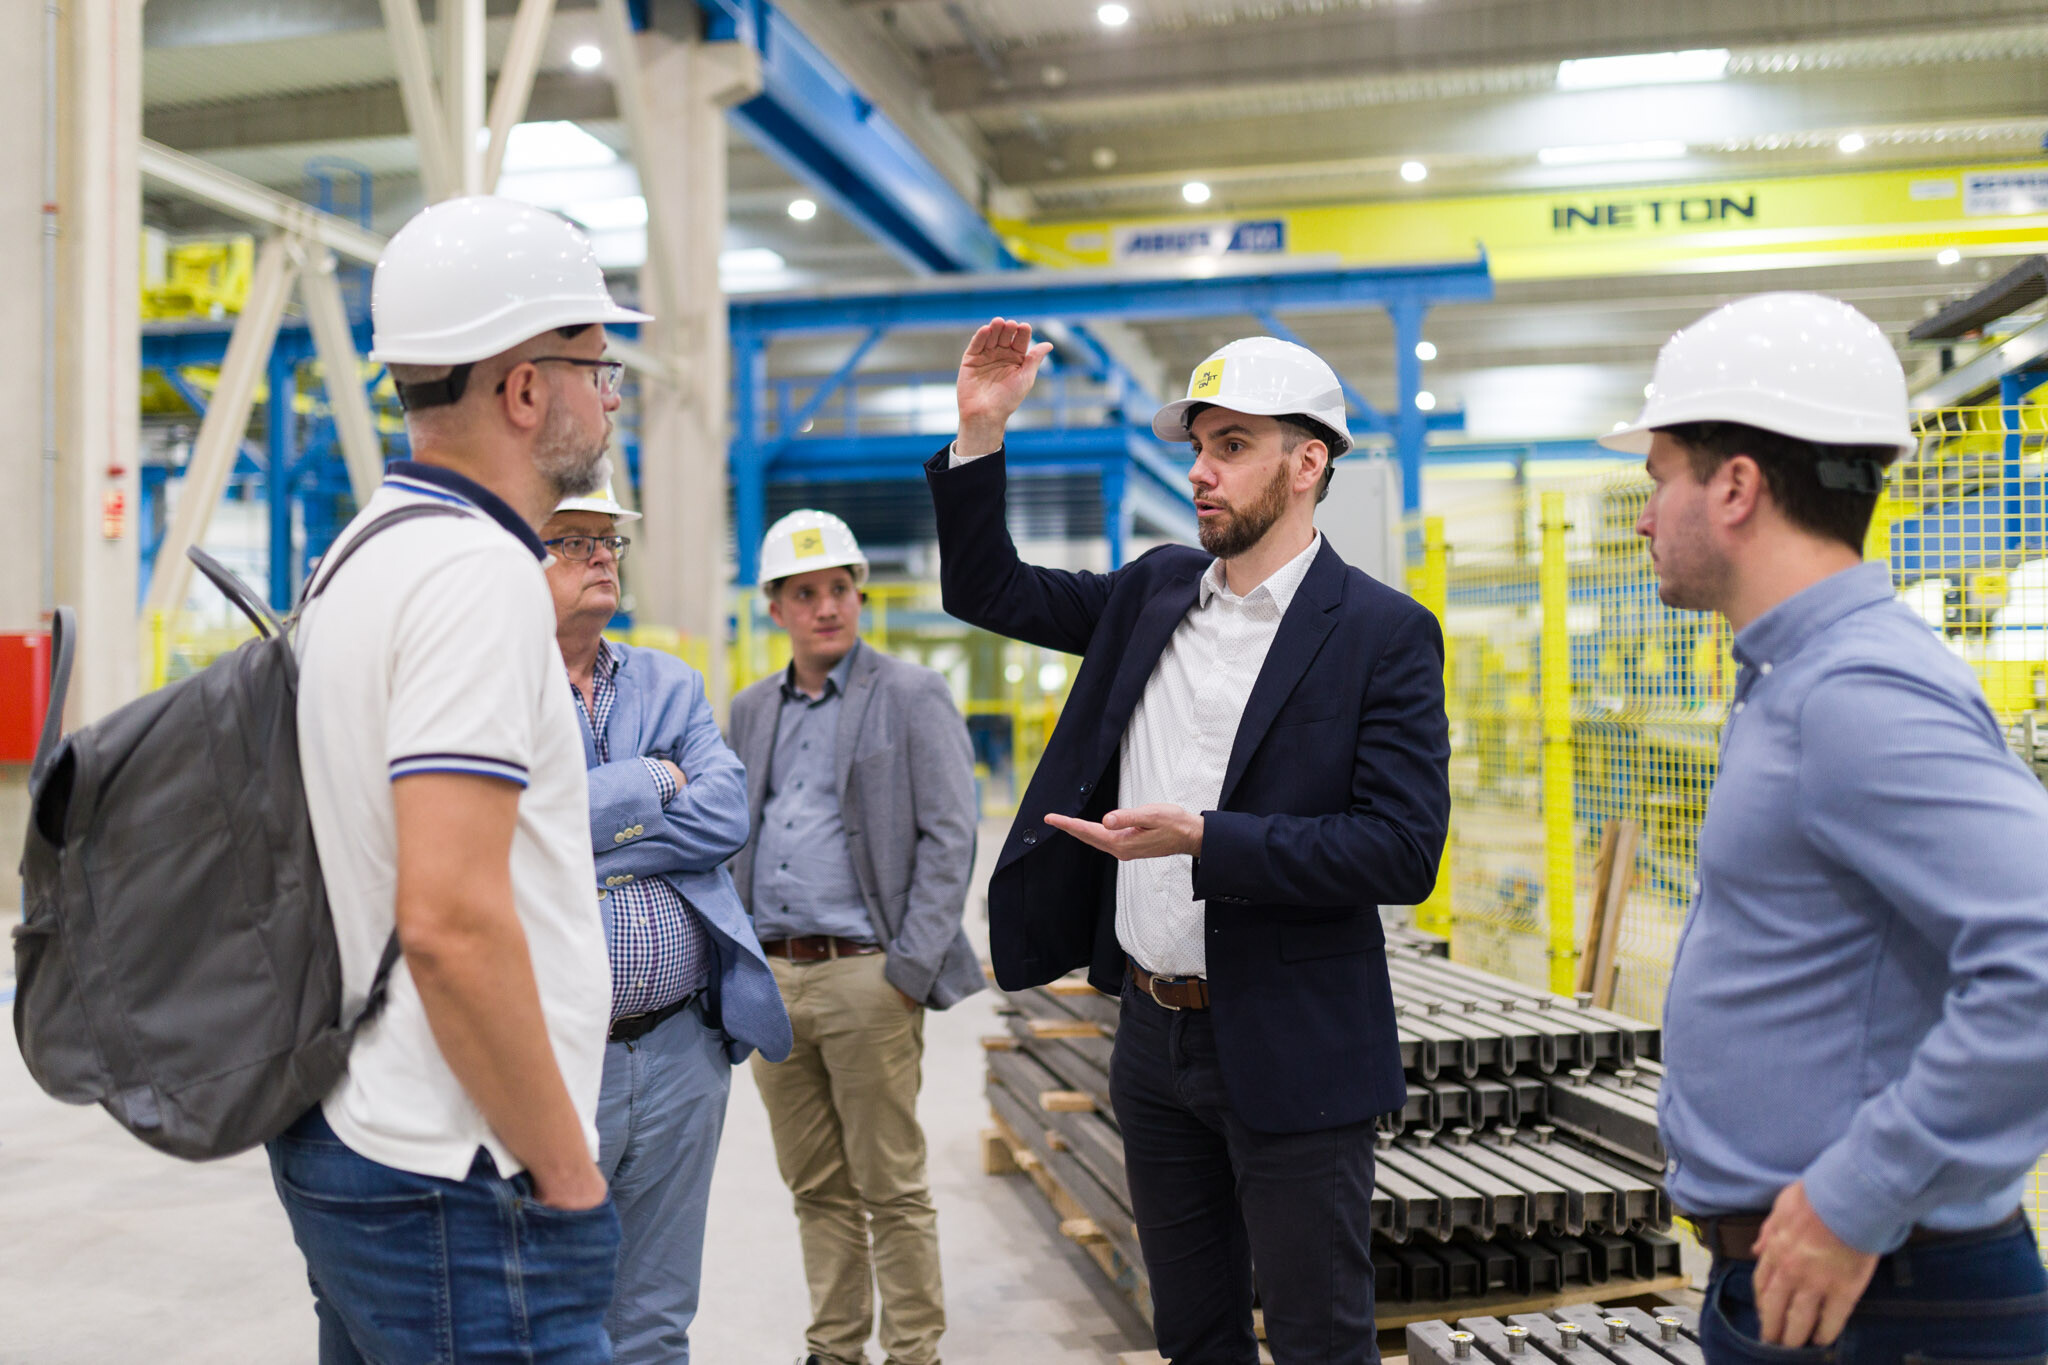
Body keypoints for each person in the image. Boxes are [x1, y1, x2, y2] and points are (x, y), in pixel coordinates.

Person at [927, 322, 1451, 1365]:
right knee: (1194, 1335)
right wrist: (981, 432)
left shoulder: (1380, 632)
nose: (1202, 471)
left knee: (1317, 1341)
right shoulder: (1152, 592)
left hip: (1296, 1043)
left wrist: (1205, 839)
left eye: (1233, 446)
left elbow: (1400, 850)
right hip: (1151, 1038)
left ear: (1308, 464)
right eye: (1200, 446)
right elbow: (987, 590)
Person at [1612, 291, 2048, 1361]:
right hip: (1837, 1287)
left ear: (1735, 487)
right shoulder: (1797, 677)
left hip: (1880, 1298)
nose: (1643, 518)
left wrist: (1860, 1191)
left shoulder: (1853, 691)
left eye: (1657, 479)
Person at [277, 195, 649, 1364]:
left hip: (355, 1124)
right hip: (459, 1169)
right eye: (597, 368)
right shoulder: (476, 576)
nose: (609, 398)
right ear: (525, 388)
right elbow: (449, 922)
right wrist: (567, 1171)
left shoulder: (360, 555)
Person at [540, 484, 793, 1364]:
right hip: (557, 1057)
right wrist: (652, 781)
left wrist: (592, 842)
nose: (600, 556)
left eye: (607, 540)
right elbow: (517, 827)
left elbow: (725, 814)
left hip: (685, 1048)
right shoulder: (493, 688)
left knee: (654, 1319)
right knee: (546, 1316)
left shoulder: (668, 681)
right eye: (573, 540)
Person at [726, 509, 982, 1365]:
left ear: (859, 595)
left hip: (866, 977)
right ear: (776, 608)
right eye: (805, 593)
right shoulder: (751, 710)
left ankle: (913, 1352)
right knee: (816, 1187)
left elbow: (950, 835)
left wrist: (906, 969)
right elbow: (733, 835)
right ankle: (835, 1348)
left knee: (891, 1185)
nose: (827, 606)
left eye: (839, 588)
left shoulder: (910, 695)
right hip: (774, 984)